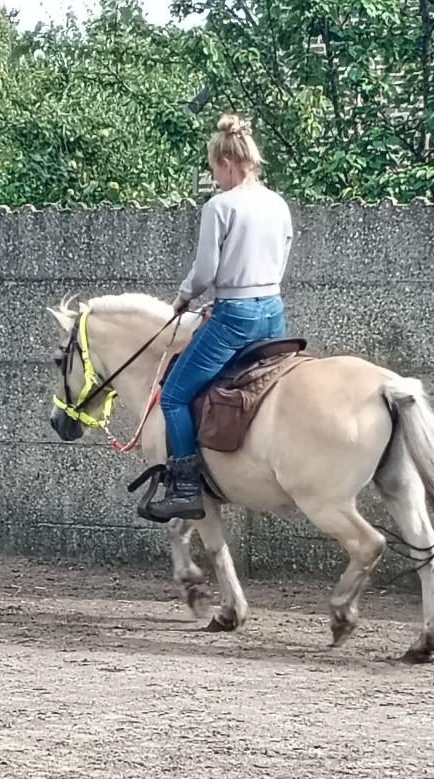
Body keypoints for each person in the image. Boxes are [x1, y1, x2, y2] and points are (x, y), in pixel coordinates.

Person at [146, 113, 293, 521]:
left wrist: (183, 297)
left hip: (235, 319)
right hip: (273, 314)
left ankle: (186, 489)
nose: (215, 178)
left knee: (174, 395)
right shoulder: (278, 204)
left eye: (214, 170)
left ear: (227, 163)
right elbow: (280, 263)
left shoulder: (220, 206)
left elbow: (206, 272)